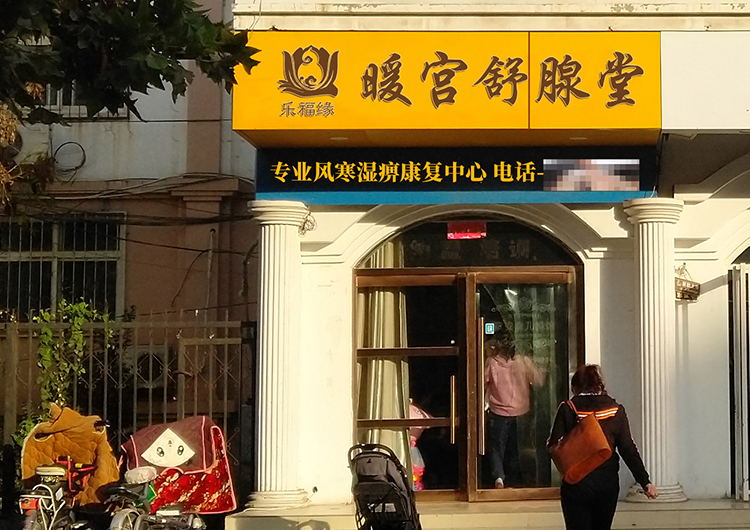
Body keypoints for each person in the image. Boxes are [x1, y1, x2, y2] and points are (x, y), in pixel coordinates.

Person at [547, 364, 658, 530]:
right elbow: (628, 449)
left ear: (575, 385)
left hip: (577, 482)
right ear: (600, 384)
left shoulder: (568, 408)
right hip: (606, 483)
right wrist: (645, 481)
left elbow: (554, 445)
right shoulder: (615, 410)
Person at [484, 336, 545, 489]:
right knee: (519, 447)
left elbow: (481, 383)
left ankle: (499, 477)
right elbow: (539, 380)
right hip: (522, 411)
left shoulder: (492, 362)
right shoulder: (524, 361)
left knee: (497, 447)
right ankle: (517, 479)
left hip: (498, 411)